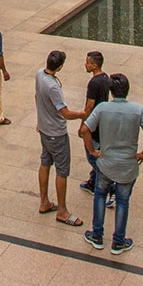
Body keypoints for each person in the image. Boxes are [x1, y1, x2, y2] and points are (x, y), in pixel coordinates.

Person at [78, 73, 143, 256]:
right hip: (128, 165)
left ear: (111, 92)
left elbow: (84, 130)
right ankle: (118, 241)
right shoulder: (137, 110)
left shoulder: (103, 108)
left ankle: (96, 235)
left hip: (106, 162)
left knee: (100, 195)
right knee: (122, 201)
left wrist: (92, 151)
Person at [35, 50, 85, 226]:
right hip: (56, 132)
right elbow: (64, 112)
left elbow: (36, 97)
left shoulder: (39, 74)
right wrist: (81, 114)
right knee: (62, 170)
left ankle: (44, 201)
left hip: (44, 129)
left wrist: (40, 118)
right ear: (60, 67)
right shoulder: (53, 87)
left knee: (45, 162)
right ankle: (62, 211)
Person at [78, 51, 112, 195]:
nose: (85, 65)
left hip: (94, 124)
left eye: (88, 63)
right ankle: (93, 181)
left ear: (94, 65)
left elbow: (89, 106)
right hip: (102, 121)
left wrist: (83, 124)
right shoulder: (105, 78)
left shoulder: (93, 83)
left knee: (92, 156)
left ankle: (107, 185)